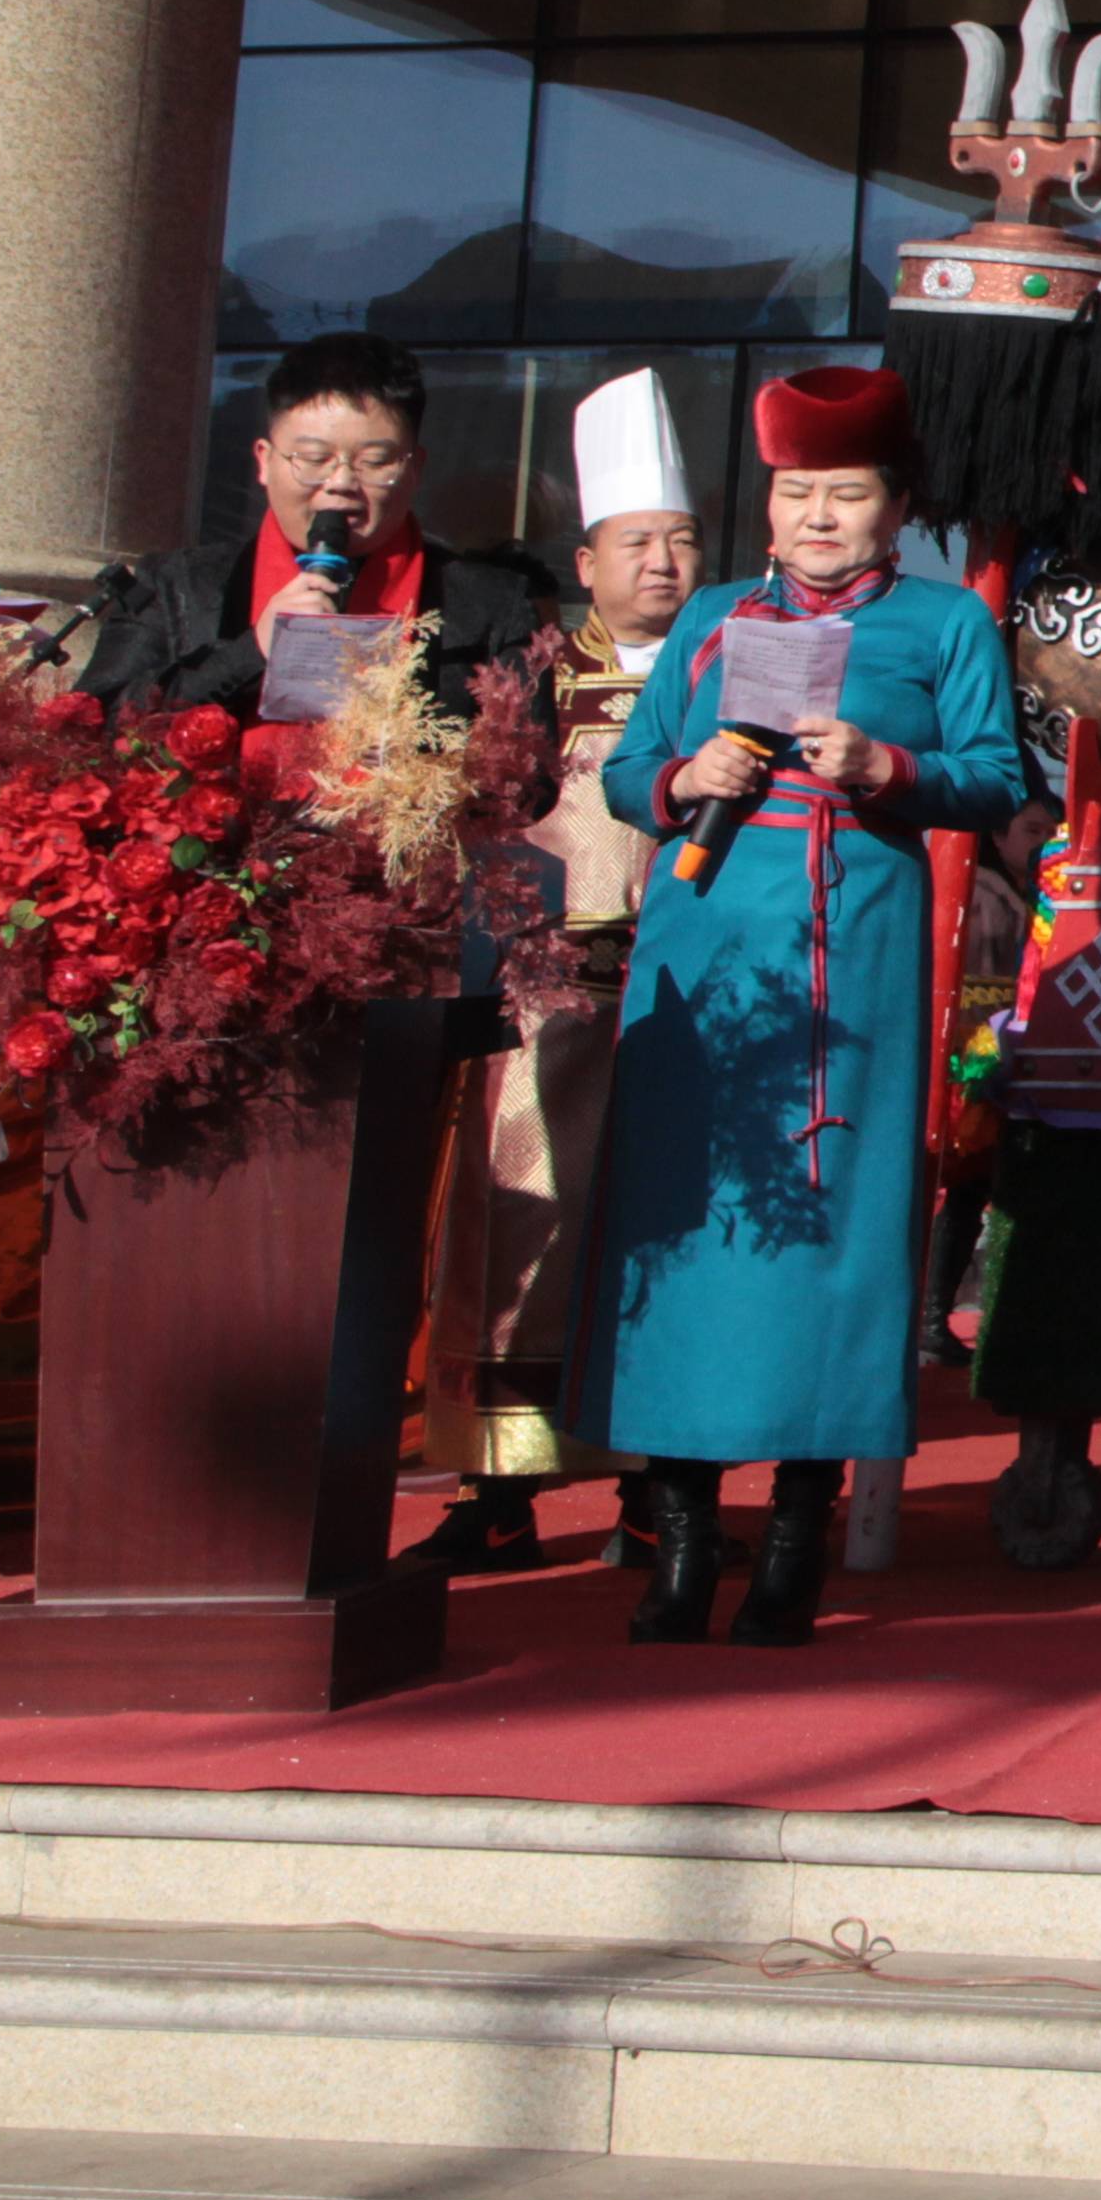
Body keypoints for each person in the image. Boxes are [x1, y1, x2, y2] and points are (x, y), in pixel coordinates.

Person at [571, 366, 1022, 1644]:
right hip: (704, 949)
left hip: (851, 958)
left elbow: (996, 777)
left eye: (848, 493)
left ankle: (793, 1540)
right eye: (796, 492)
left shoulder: (944, 624)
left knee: (833, 1232)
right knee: (685, 1229)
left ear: (897, 507)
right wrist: (682, 777)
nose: (819, 516)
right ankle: (678, 1541)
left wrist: (888, 765)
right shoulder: (715, 617)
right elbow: (625, 770)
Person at [409, 371, 711, 1572]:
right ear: (587, 562)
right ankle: (499, 1489)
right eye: (639, 542)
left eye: (683, 541)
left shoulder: (729, 668)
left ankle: (659, 1492)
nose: (665, 564)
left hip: (694, 1003)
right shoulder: (529, 677)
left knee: (673, 1244)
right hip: (553, 997)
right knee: (517, 1238)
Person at [77, 330, 560, 761]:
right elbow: (88, 730)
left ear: (415, 468)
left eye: (375, 461)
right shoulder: (177, 584)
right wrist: (250, 653)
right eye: (313, 458)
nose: (341, 483)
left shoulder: (491, 602)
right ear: (264, 461)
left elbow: (530, 779)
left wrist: (419, 773)